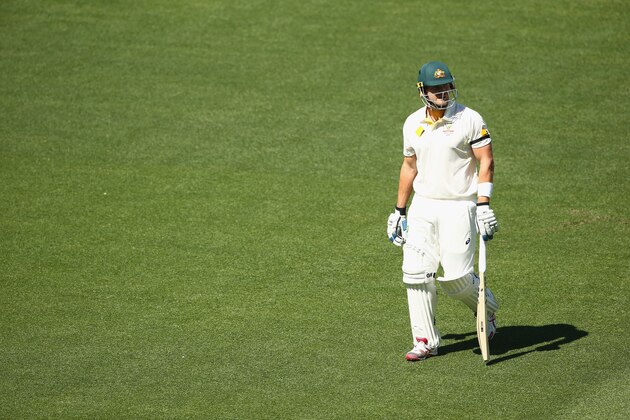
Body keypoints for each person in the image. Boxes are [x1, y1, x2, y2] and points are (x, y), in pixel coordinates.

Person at [386, 61, 500, 361]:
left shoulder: (469, 119)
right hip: (423, 205)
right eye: (436, 89)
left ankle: (487, 312)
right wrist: (399, 210)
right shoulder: (412, 123)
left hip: (458, 206)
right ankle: (425, 340)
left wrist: (483, 204)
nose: (443, 93)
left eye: (447, 87)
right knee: (415, 273)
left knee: (457, 278)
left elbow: (486, 162)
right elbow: (409, 166)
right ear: (422, 91)